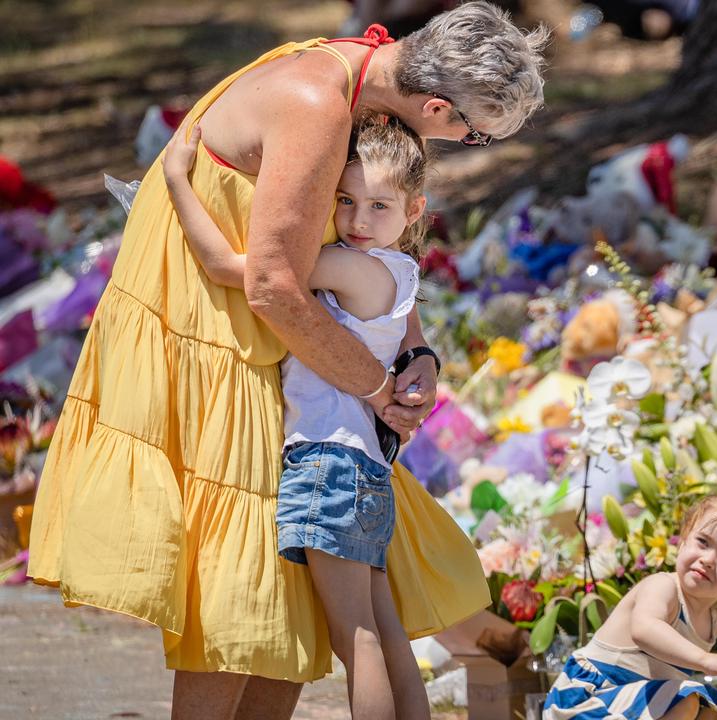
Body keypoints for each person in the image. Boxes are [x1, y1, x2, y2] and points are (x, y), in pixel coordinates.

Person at [27, 3, 548, 718]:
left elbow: (364, 257)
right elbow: (274, 283)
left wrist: (414, 345)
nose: (463, 140)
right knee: (240, 589)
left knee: (286, 595)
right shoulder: (318, 106)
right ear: (436, 104)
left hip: (278, 348)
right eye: (471, 129)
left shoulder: (360, 76)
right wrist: (376, 387)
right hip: (219, 340)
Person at [163, 116, 430, 719]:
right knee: (384, 634)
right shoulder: (401, 272)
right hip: (364, 469)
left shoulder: (355, 267)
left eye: (379, 206)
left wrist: (179, 182)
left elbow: (240, 271)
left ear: (413, 210)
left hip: (328, 463)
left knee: (355, 641)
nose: (360, 221)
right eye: (346, 200)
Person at [543, 492, 717, 720]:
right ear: (683, 541)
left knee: (713, 704)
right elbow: (644, 629)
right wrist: (706, 660)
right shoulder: (664, 587)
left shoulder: (715, 621)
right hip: (589, 696)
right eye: (702, 542)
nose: (708, 560)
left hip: (631, 702)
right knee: (687, 698)